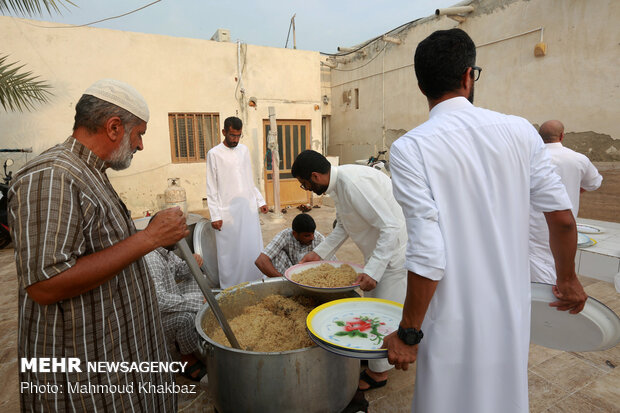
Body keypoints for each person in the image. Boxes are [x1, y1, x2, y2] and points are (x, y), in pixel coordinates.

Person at [383, 29, 588, 413]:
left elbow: (428, 249)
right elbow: (561, 219)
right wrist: (567, 279)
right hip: (508, 312)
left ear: (420, 85)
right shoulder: (520, 132)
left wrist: (409, 332)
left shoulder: (411, 148)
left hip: (450, 319)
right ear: (467, 76)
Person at [8, 79, 187, 412]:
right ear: (114, 127)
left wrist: (148, 235)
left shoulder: (89, 171)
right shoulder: (52, 176)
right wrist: (149, 238)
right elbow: (45, 285)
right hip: (85, 378)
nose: (141, 146)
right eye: (140, 134)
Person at [292, 150, 407, 391]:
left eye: (305, 184)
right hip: (377, 253)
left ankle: (380, 374)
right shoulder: (339, 186)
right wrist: (318, 254)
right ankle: (376, 356)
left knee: (385, 312)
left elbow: (391, 226)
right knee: (373, 307)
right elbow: (343, 226)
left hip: (393, 255)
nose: (307, 189)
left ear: (315, 176)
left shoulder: (353, 183)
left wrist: (374, 270)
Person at [529, 120, 603, 283]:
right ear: (562, 136)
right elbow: (594, 183)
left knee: (534, 269)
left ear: (538, 137)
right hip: (564, 223)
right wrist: (575, 189)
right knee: (557, 264)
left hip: (532, 224)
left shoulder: (529, 158)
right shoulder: (578, 159)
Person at [206, 116, 268, 288]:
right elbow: (211, 187)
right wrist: (215, 215)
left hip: (247, 209)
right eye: (232, 135)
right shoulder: (214, 154)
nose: (235, 139)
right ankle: (232, 287)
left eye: (238, 136)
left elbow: (249, 179)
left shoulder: (244, 151)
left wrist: (259, 200)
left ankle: (255, 283)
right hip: (227, 212)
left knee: (251, 247)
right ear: (224, 132)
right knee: (230, 253)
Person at [144, 246, 207, 381]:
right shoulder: (152, 258)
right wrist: (196, 300)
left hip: (170, 299)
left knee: (198, 280)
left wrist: (192, 262)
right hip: (155, 317)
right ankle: (187, 360)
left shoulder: (165, 251)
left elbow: (180, 271)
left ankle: (185, 341)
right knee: (187, 317)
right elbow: (159, 301)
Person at [255, 213, 328, 277]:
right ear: (295, 234)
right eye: (307, 236)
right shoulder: (285, 235)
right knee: (276, 255)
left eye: (313, 234)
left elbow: (333, 263)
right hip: (289, 274)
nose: (312, 238)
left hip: (312, 275)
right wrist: (283, 280)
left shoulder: (318, 238)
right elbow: (261, 261)